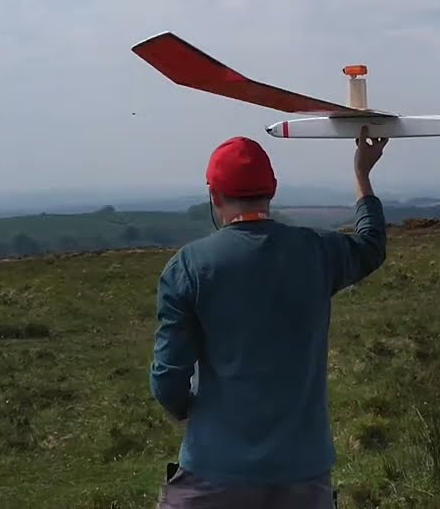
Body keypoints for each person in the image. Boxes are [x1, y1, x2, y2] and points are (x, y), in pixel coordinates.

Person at [150, 128, 390, 508]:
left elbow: (168, 380)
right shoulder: (317, 253)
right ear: (272, 189)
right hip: (303, 473)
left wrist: (185, 408)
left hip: (214, 470)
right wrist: (362, 174)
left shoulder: (188, 268)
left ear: (213, 195)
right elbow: (371, 245)